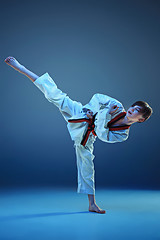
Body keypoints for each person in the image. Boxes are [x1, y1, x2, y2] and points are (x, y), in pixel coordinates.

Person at [4, 56, 153, 214]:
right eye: (134, 106)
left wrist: (105, 114)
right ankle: (21, 68)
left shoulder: (123, 134)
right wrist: (92, 111)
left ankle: (92, 204)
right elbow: (97, 97)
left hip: (86, 136)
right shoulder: (116, 105)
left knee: (87, 165)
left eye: (138, 111)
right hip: (80, 113)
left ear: (141, 119)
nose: (133, 109)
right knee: (56, 95)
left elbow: (103, 135)